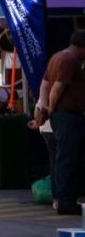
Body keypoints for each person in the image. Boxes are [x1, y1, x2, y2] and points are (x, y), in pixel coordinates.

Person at [35, 29, 85, 215]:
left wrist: (44, 108)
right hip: (67, 116)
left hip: (62, 116)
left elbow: (45, 84)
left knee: (62, 159)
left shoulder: (56, 57)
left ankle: (62, 198)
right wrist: (51, 108)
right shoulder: (69, 61)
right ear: (80, 47)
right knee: (67, 159)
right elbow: (57, 87)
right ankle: (66, 201)